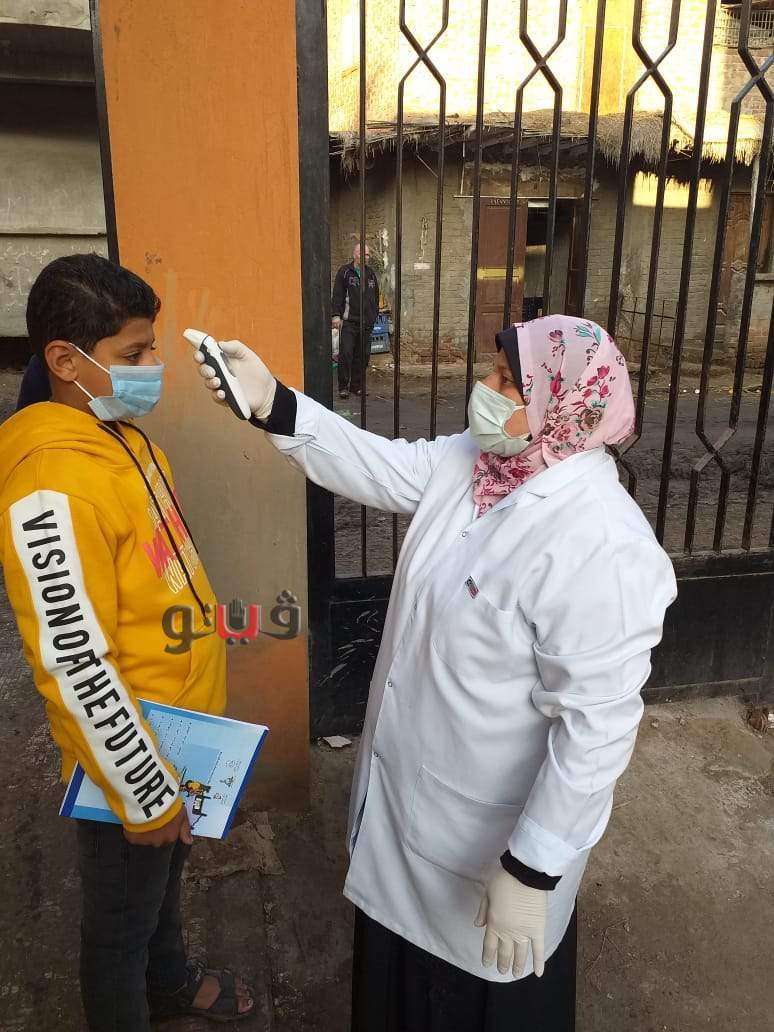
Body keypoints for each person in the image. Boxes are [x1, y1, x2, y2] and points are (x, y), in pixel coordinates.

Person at [194, 313, 677, 1032]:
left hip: (491, 855)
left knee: (472, 1003)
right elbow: (378, 463)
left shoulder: (602, 545)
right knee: (396, 993)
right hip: (408, 813)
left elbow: (597, 731)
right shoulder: (478, 465)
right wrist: (275, 404)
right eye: (494, 372)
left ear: (566, 404)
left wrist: (534, 867)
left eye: (508, 382)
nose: (485, 388)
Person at [0, 254, 255, 1029]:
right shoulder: (50, 485)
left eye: (151, 348)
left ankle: (167, 982)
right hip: (127, 759)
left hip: (176, 736)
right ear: (63, 360)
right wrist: (143, 790)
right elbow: (74, 661)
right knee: (119, 925)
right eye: (134, 353)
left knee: (163, 885)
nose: (153, 368)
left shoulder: (118, 437)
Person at [332, 242, 379, 399]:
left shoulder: (371, 274)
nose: (366, 257)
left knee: (363, 356)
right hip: (349, 322)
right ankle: (343, 387)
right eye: (363, 253)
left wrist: (373, 315)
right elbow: (338, 295)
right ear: (355, 254)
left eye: (368, 254)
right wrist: (336, 315)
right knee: (346, 354)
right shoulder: (345, 272)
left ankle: (356, 386)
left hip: (366, 323)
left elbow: (375, 296)